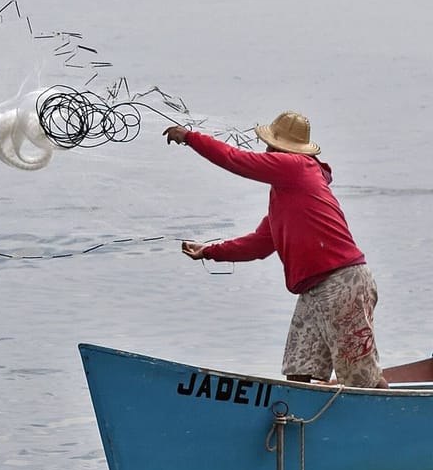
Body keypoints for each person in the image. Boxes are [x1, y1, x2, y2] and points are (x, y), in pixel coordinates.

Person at [164, 112, 383, 388]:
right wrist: (209, 251)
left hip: (344, 282)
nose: (266, 150)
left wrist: (190, 137)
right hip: (313, 289)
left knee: (361, 379)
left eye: (270, 146)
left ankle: (393, 420)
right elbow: (258, 244)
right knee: (298, 369)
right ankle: (299, 424)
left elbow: (235, 159)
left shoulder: (297, 166)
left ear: (283, 150)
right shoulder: (288, 194)